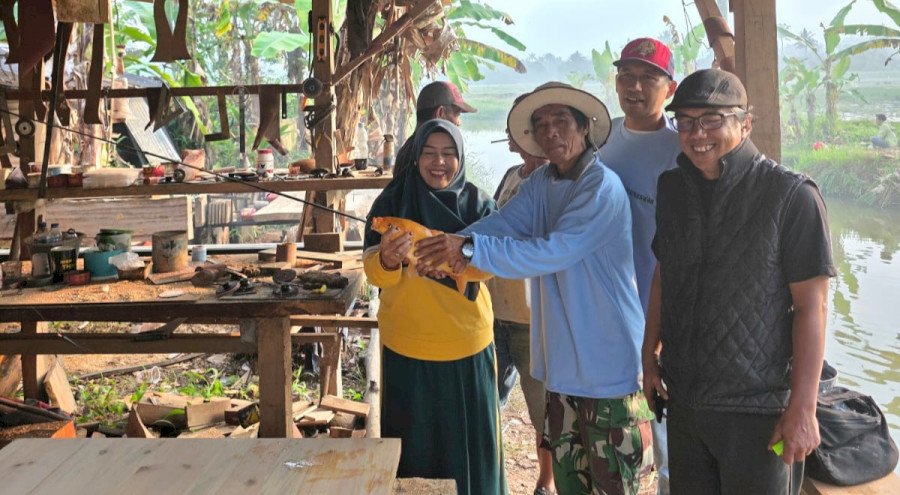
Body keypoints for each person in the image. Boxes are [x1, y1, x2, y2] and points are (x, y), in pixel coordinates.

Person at [416, 82, 654, 495]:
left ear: (584, 127)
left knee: (614, 485)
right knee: (570, 482)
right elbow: (504, 223)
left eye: (561, 120)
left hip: (609, 369)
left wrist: (468, 250)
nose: (550, 132)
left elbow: (553, 251)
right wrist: (450, 246)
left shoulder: (601, 187)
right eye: (540, 124)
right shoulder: (542, 181)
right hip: (563, 371)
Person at [642, 69, 835, 495]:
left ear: (746, 124)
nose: (697, 134)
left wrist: (803, 409)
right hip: (685, 402)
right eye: (685, 121)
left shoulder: (791, 196)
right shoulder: (672, 188)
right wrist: (649, 355)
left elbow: (813, 306)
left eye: (712, 119)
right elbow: (663, 274)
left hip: (758, 412)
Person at [362, 119, 505, 495]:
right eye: (429, 153)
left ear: (460, 157)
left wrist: (460, 258)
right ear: (416, 157)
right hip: (406, 348)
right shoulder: (391, 203)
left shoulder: (479, 204)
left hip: (466, 347)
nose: (438, 162)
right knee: (415, 456)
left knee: (471, 455)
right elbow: (372, 271)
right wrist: (388, 260)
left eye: (448, 153)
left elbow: (494, 264)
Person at [599, 37, 679, 495]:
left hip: (658, 310)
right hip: (606, 309)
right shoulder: (601, 137)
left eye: (649, 78)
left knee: (667, 431)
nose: (634, 87)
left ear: (670, 88)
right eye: (626, 76)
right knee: (611, 426)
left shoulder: (682, 148)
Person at [489, 118, 554, 495]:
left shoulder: (553, 183)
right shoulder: (511, 175)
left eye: (519, 129)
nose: (511, 135)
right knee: (488, 403)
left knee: (543, 409)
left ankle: (546, 482)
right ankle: (491, 476)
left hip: (533, 320)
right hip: (495, 313)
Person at [392, 81, 477, 176]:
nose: (459, 122)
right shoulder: (423, 158)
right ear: (440, 113)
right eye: (457, 114)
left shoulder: (408, 150)